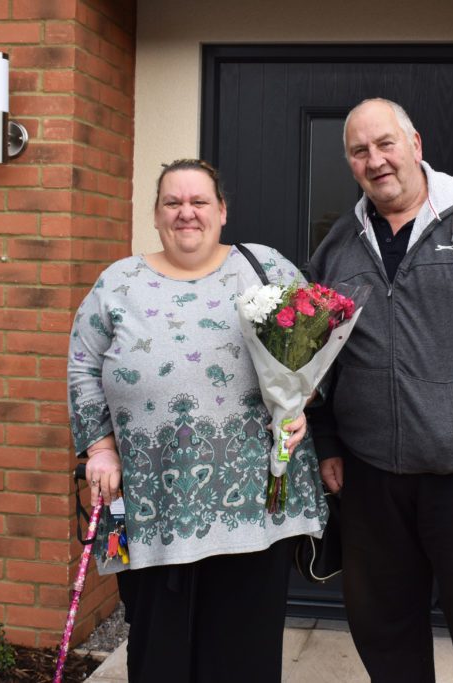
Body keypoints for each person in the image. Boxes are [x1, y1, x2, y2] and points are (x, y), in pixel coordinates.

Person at [308, 99, 453, 682]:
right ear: (350, 163)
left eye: (385, 144)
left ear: (415, 143)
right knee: (384, 631)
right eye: (360, 151)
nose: (376, 160)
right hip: (371, 478)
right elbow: (316, 350)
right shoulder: (340, 242)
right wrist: (329, 438)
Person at [68, 159, 329, 683]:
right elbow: (82, 365)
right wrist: (99, 446)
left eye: (199, 202)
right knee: (159, 650)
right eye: (173, 203)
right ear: (157, 214)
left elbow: (318, 344)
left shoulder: (265, 268)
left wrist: (303, 402)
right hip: (152, 501)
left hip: (254, 503)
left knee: (243, 652)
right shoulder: (118, 281)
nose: (186, 213)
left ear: (222, 211)